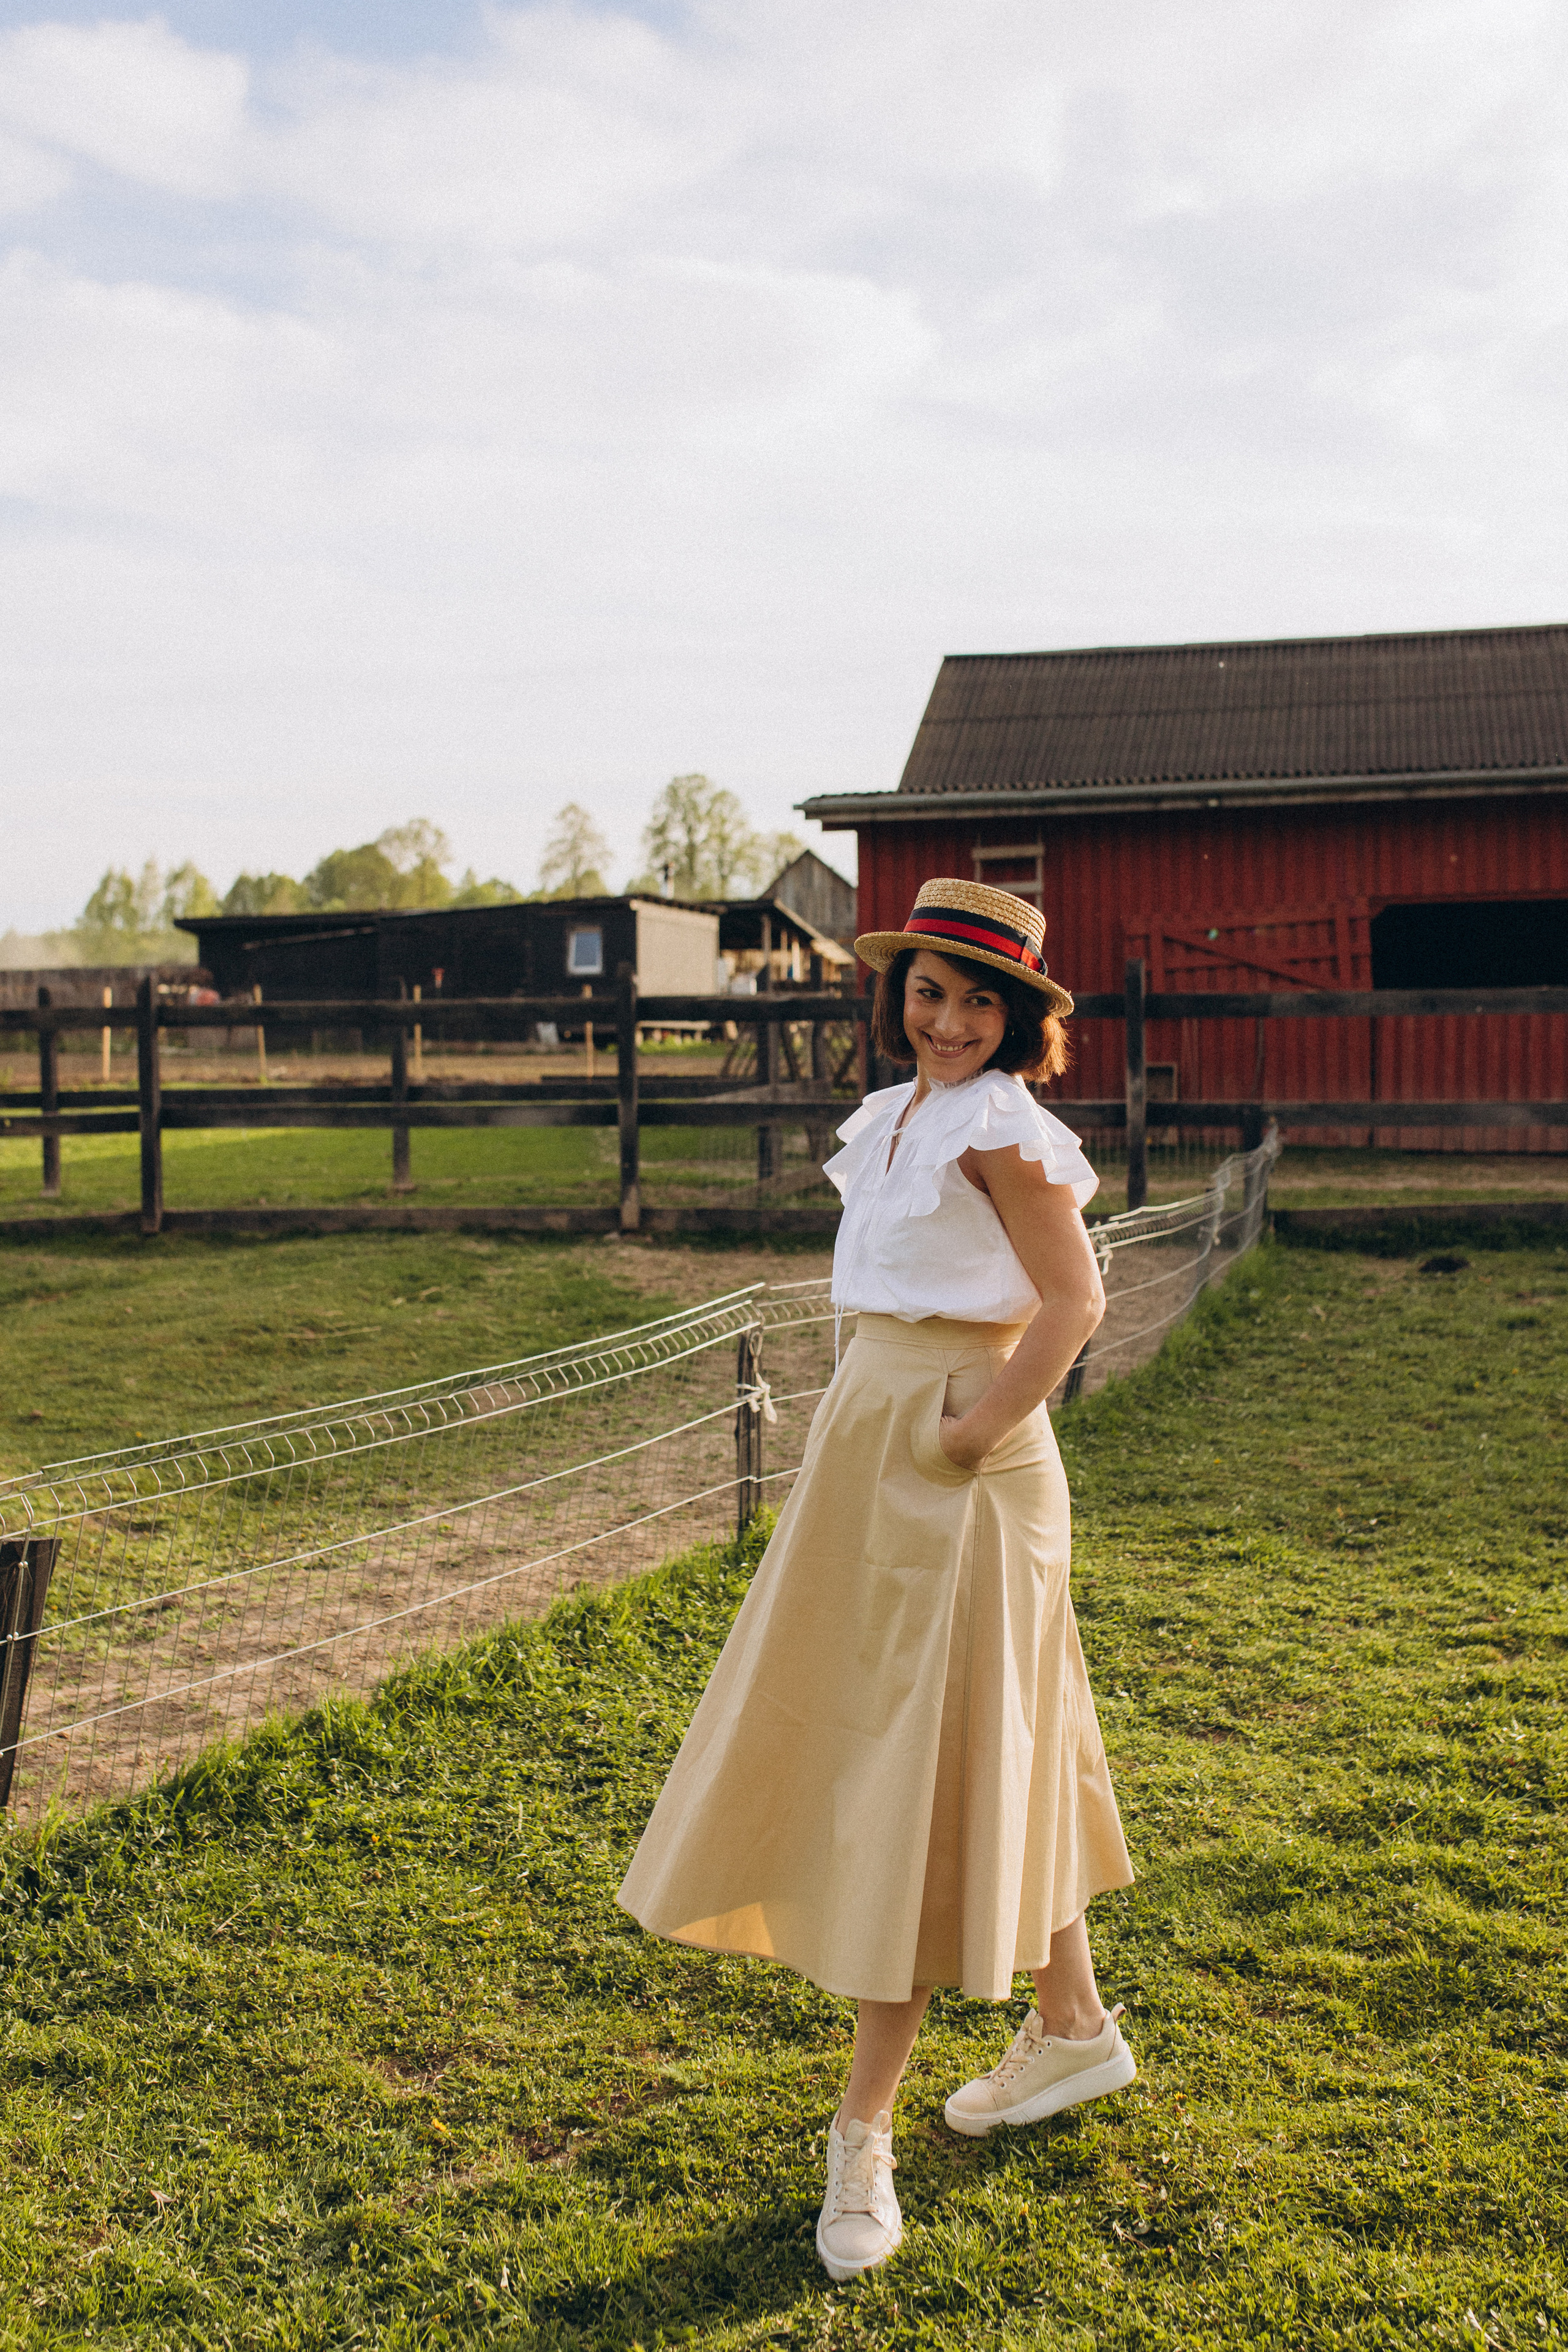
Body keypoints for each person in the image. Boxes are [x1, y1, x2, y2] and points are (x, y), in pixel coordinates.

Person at [618, 878, 1135, 2282]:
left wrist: (970, 1430)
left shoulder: (1001, 1133)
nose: (950, 1020)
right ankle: (1074, 2026)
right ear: (894, 990)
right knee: (979, 1746)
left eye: (982, 1002)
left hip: (960, 1463)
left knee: (912, 1769)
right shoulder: (903, 1112)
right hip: (879, 1444)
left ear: (1021, 1020)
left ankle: (862, 2134)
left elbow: (1075, 1301)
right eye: (929, 990)